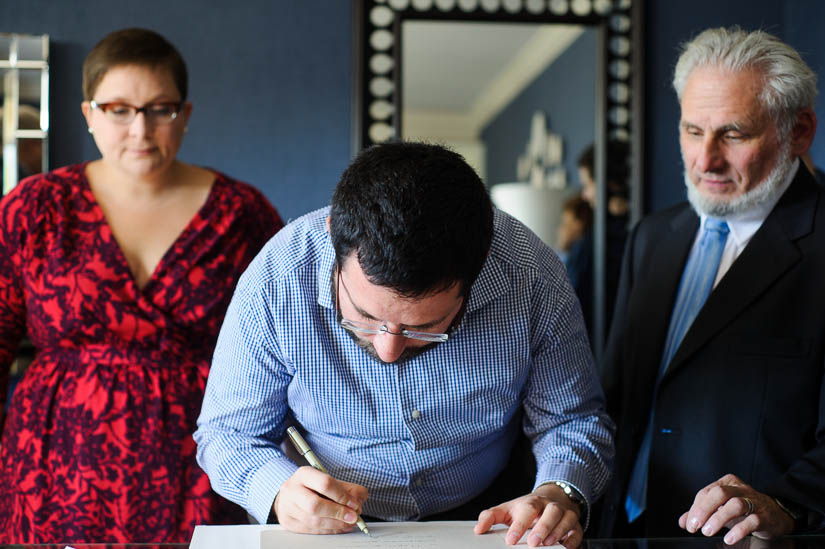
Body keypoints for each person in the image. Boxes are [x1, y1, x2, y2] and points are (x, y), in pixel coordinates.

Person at [195, 141, 614, 548]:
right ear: (332, 237)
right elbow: (227, 434)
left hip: (489, 516)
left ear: (480, 262)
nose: (387, 351)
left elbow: (570, 421)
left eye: (425, 327)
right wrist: (277, 491)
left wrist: (559, 492)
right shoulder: (278, 277)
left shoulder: (531, 276)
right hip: (319, 523)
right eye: (364, 317)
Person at [0, 28, 284, 543]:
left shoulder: (242, 214)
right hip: (54, 464)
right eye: (118, 109)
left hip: (198, 466)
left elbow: (288, 351)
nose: (140, 129)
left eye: (160, 109)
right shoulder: (34, 207)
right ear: (89, 114)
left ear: (186, 114)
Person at [599, 27, 825, 543]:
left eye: (734, 134)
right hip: (625, 529)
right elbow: (616, 398)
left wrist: (787, 504)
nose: (705, 161)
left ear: (800, 131)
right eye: (693, 131)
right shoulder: (653, 236)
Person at [565, 141, 629, 342]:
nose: (584, 195)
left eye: (587, 185)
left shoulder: (597, 241)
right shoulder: (597, 235)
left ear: (608, 184)